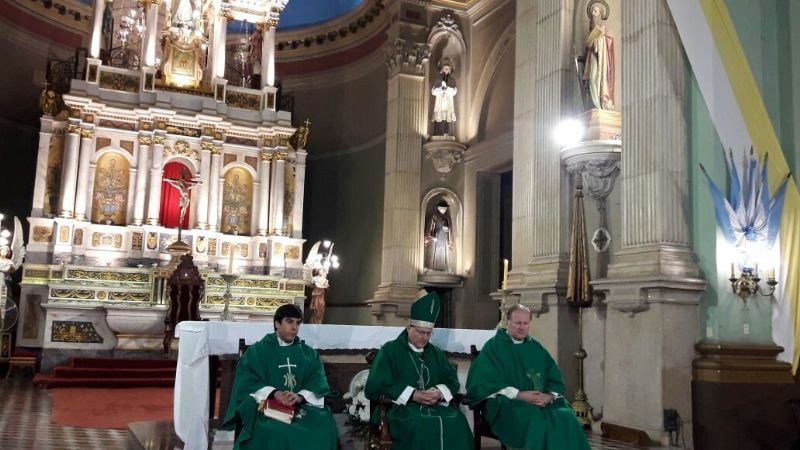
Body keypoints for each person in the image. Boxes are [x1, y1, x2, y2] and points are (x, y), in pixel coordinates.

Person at [466, 304, 590, 450]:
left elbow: (554, 376)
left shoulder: (536, 348)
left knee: (565, 415)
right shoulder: (493, 347)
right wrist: (519, 395)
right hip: (509, 402)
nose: (521, 327)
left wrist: (549, 396)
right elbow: (484, 380)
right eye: (517, 323)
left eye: (525, 323)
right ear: (508, 322)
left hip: (541, 400)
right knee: (534, 417)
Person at [365, 290, 474, 450]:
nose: (424, 337)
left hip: (435, 406)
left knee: (457, 419)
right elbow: (376, 386)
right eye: (420, 332)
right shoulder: (391, 350)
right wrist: (413, 394)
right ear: (409, 327)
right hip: (401, 409)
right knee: (421, 424)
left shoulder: (435, 352)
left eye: (428, 333)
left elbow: (451, 380)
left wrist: (439, 392)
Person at [223, 304, 338, 449]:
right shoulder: (257, 352)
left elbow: (317, 381)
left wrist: (300, 396)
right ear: (277, 323)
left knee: (325, 427)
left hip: (301, 406)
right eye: (289, 321)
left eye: (298, 323)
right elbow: (246, 382)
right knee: (279, 430)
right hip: (267, 408)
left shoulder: (309, 354)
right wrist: (275, 393)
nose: (294, 327)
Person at [582, 0, 615, 110]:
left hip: (599, 58)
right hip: (591, 58)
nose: (593, 14)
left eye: (595, 11)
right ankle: (594, 103)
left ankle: (598, 104)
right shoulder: (591, 29)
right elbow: (589, 47)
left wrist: (597, 42)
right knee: (591, 79)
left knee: (595, 79)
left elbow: (606, 42)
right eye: (592, 12)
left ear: (600, 14)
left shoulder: (602, 28)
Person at [425, 200, 453, 272]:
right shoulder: (434, 217)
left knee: (443, 253)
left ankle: (443, 268)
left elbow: (449, 229)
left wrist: (447, 229)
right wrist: (432, 236)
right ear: (438, 208)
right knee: (435, 253)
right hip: (436, 237)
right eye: (442, 208)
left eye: (445, 209)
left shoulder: (447, 218)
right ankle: (432, 267)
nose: (444, 210)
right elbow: (431, 226)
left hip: (444, 238)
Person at [431, 61, 458, 136]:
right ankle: (438, 133)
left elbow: (454, 91)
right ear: (442, 69)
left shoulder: (452, 80)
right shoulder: (438, 79)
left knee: (447, 117)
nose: (446, 70)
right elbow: (433, 91)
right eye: (445, 68)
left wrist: (447, 88)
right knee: (439, 117)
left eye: (448, 68)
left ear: (450, 70)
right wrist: (440, 89)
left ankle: (447, 133)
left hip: (448, 101)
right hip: (440, 101)